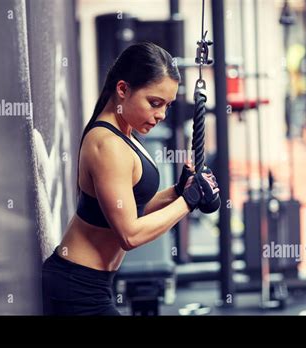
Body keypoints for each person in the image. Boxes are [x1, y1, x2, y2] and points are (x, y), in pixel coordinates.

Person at [41, 42, 220, 315]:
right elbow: (129, 234)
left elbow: (128, 210)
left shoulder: (125, 134)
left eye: (167, 105)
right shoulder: (108, 144)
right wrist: (189, 201)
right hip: (76, 287)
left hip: (92, 283)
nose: (161, 115)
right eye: (154, 103)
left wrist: (177, 191)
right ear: (123, 89)